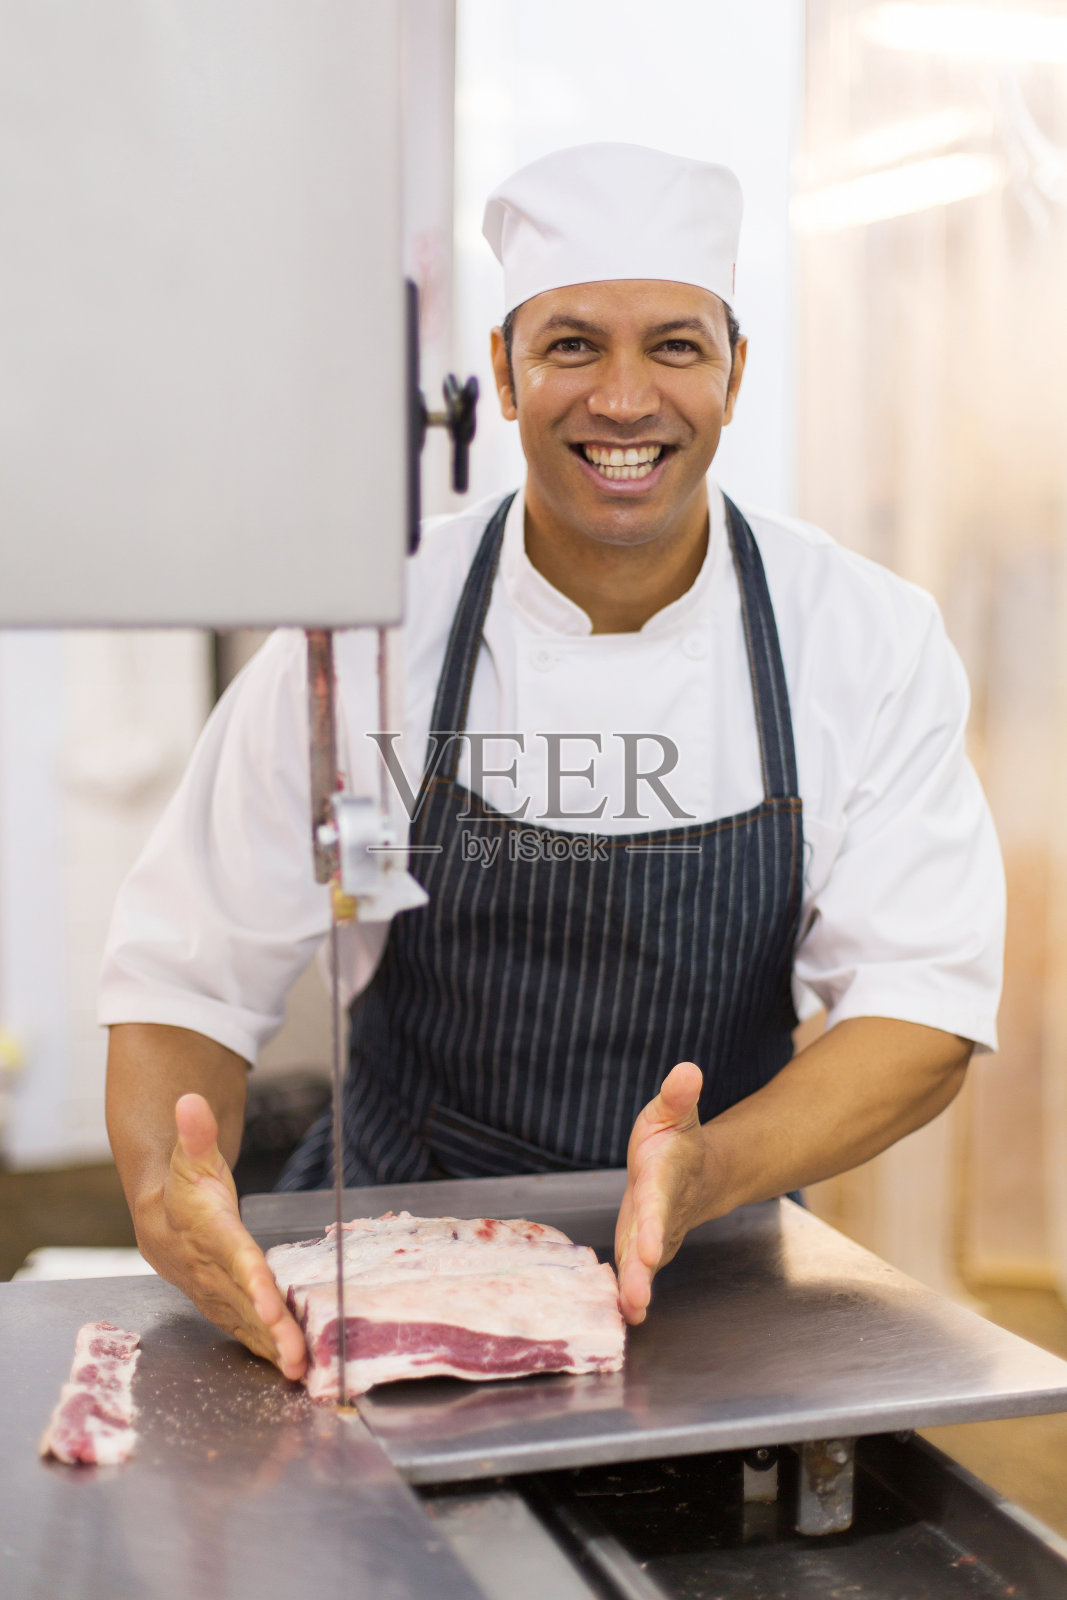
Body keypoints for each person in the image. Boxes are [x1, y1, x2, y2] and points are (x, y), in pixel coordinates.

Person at [101, 143, 1004, 1385]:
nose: (623, 400)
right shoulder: (369, 627)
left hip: (711, 1280)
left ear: (734, 371)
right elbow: (185, 970)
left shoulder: (861, 636)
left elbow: (921, 1003)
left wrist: (707, 1171)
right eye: (572, 345)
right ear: (503, 373)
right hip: (387, 1262)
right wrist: (171, 1192)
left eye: (675, 346)